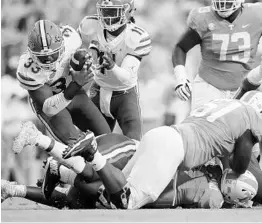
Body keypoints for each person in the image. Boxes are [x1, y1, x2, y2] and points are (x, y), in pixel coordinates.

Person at [60, 90, 262, 209]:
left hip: (163, 136)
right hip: (174, 148)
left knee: (113, 188)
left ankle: (62, 171)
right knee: (126, 202)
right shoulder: (251, 118)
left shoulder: (224, 104)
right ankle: (92, 153)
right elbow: (239, 166)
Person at [16, 19, 111, 145]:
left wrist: (90, 54)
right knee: (76, 145)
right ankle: (42, 144)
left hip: (76, 94)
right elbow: (49, 109)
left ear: (62, 46)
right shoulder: (27, 70)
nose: (49, 60)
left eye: (53, 55)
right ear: (32, 54)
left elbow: (91, 49)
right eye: (43, 57)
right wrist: (76, 84)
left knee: (106, 137)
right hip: (51, 104)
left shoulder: (71, 40)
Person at [77, 0, 152, 140]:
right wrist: (82, 56)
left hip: (124, 95)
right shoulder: (92, 25)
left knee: (134, 143)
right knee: (90, 143)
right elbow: (77, 43)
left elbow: (126, 77)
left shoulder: (135, 36)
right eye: (104, 11)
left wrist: (112, 66)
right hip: (98, 89)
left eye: (112, 11)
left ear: (127, 11)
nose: (107, 16)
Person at [172, 0, 262, 110]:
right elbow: (180, 47)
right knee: (204, 126)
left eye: (227, 3)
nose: (223, 5)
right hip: (209, 87)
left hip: (245, 87)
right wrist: (181, 78)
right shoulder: (202, 17)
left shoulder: (256, 14)